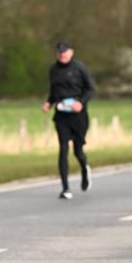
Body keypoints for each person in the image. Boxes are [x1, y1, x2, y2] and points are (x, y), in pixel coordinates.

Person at [41, 41, 95, 199]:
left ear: (71, 52)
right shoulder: (53, 70)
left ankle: (85, 169)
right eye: (59, 52)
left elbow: (91, 89)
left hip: (78, 115)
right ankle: (65, 188)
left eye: (65, 52)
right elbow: (53, 91)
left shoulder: (80, 68)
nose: (62, 55)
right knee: (63, 148)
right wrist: (48, 103)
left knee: (78, 150)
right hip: (61, 115)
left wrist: (81, 102)